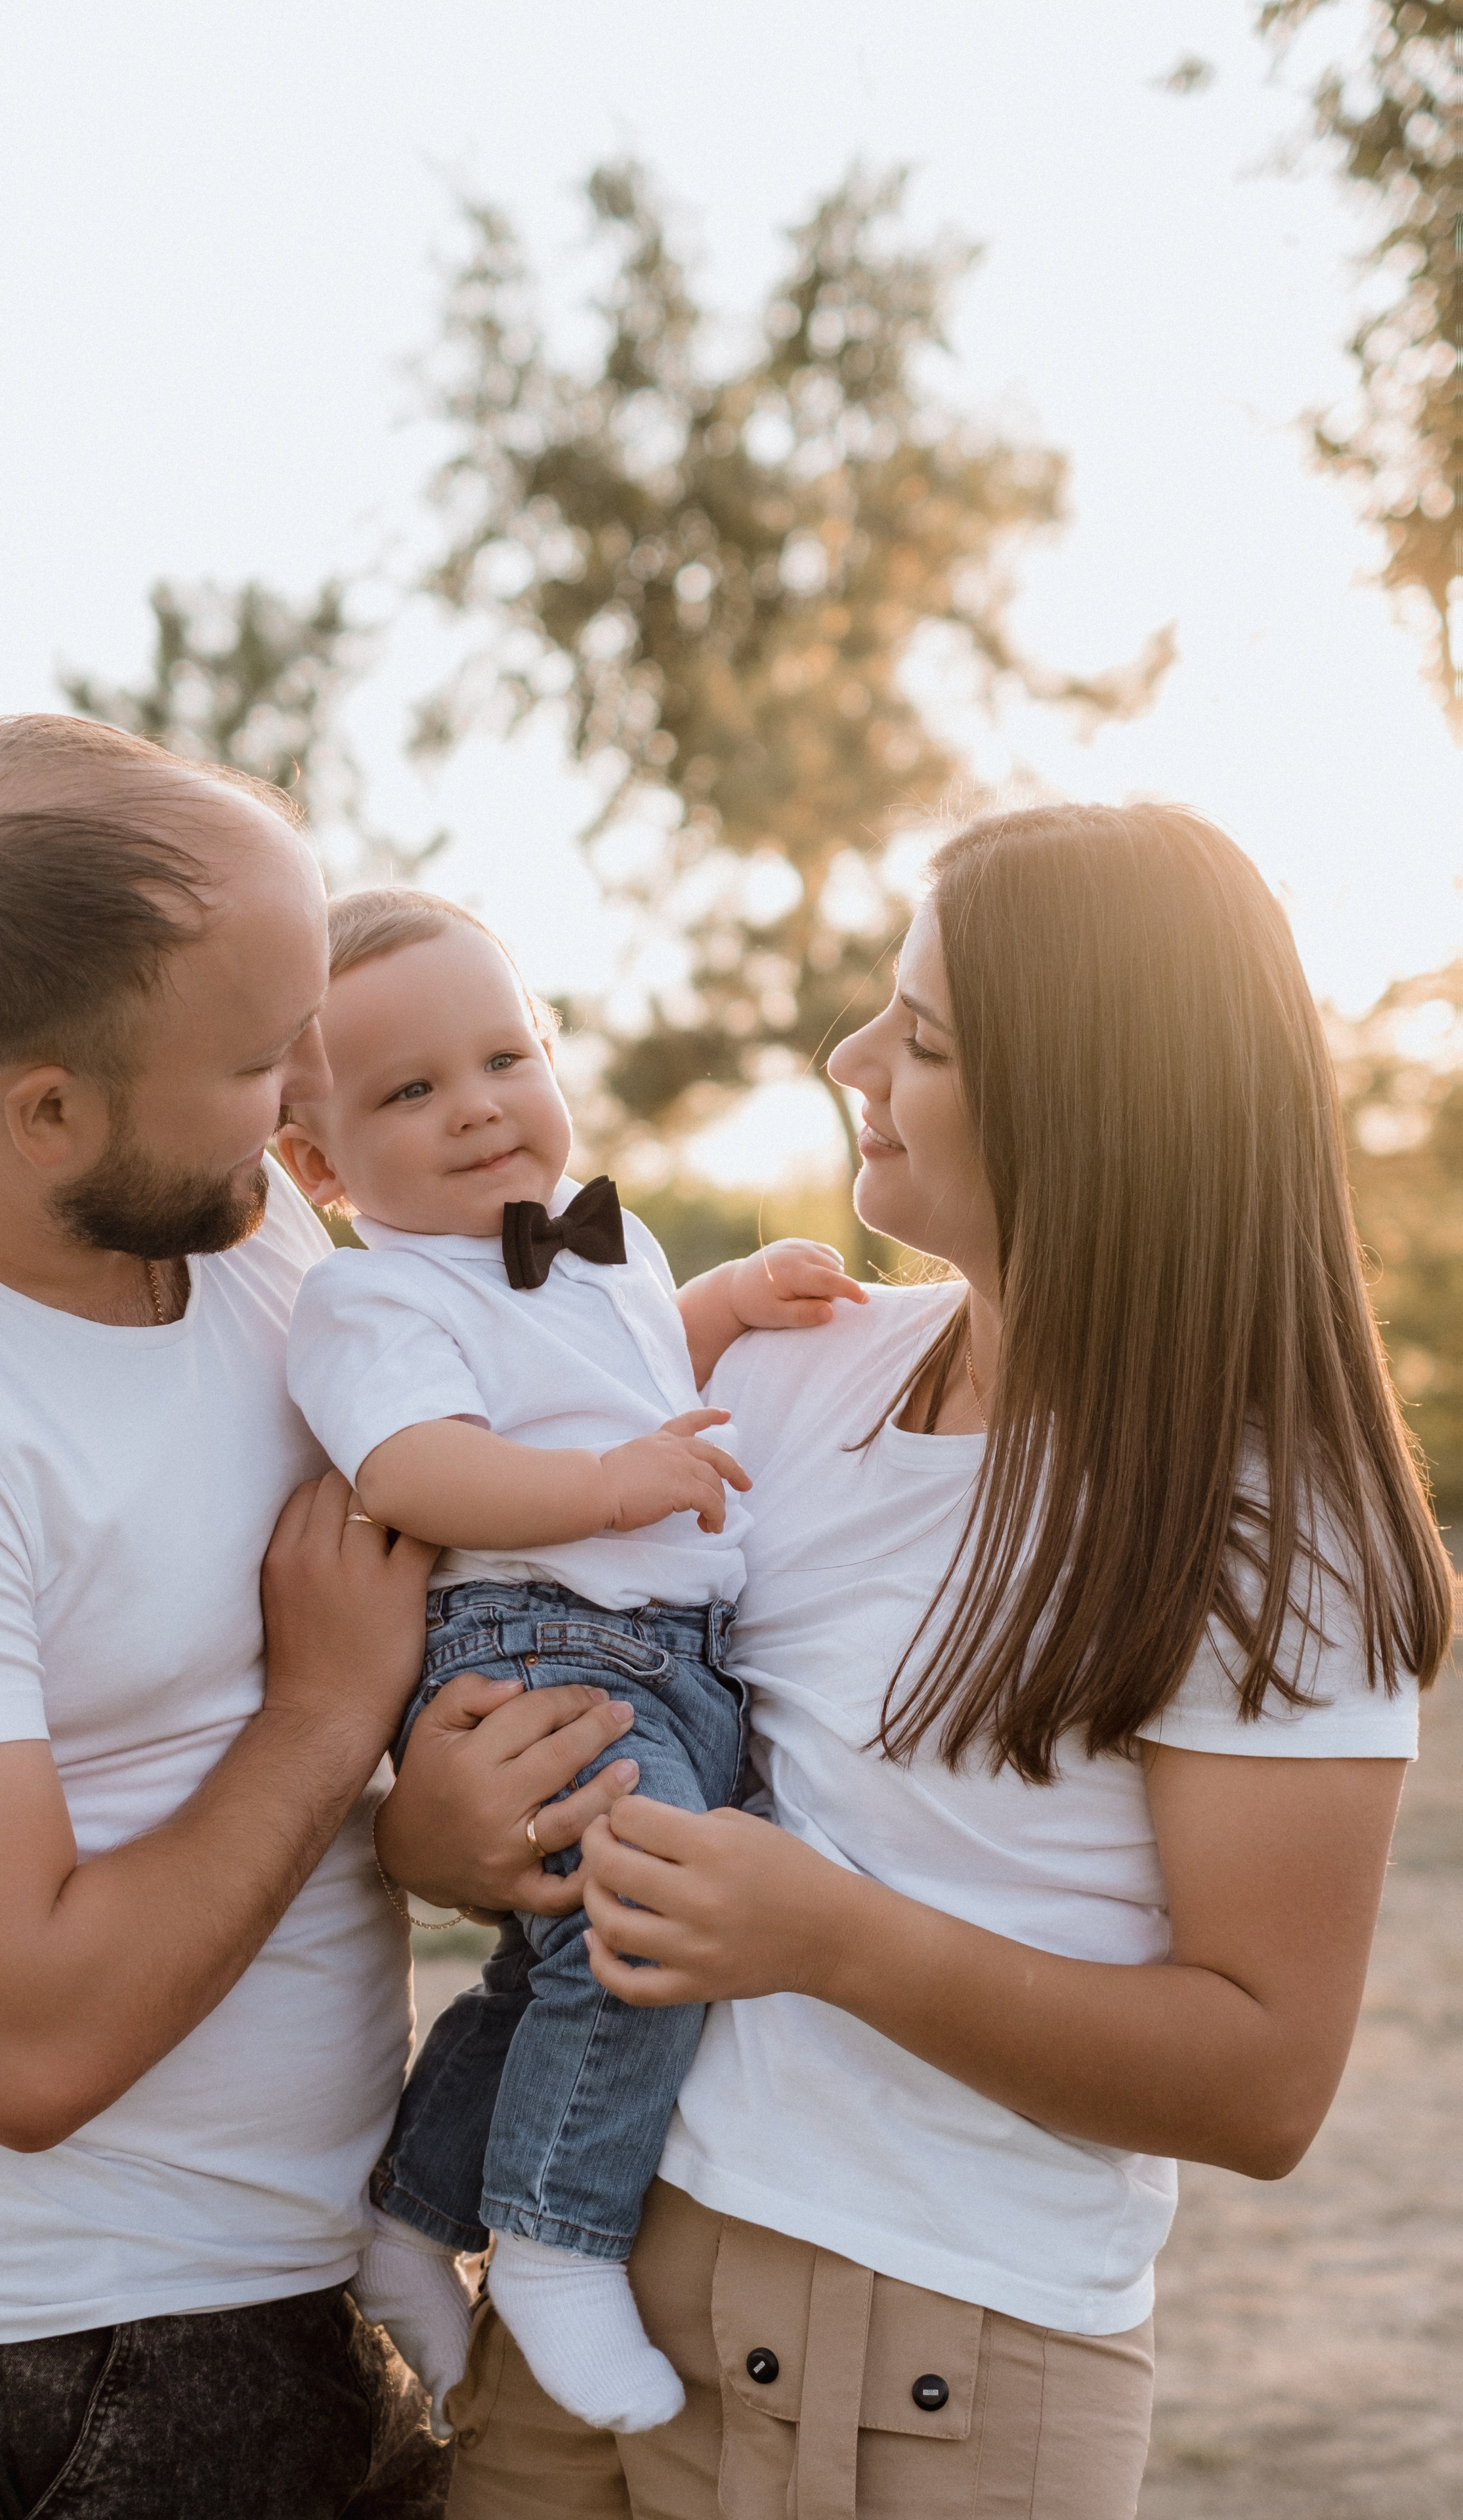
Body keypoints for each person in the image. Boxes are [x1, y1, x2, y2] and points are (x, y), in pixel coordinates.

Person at [375, 802, 1455, 2520]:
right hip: (595, 2270)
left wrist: (835, 1940)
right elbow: (557, 1687)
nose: (849, 1053)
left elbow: (1262, 2084)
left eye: (924, 1035)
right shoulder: (791, 1373)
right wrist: (437, 1839)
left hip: (932, 2371)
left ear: (1080, 1101)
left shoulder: (1262, 1531)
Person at [0, 715, 484, 2518]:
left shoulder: (224, 1209)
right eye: (264, 1057)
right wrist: (329, 1722)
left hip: (290, 2288)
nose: (318, 1087)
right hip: (47, 2365)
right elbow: (20, 2048)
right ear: (47, 1109)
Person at [274, 887, 863, 2435]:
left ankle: (408, 2223)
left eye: (504, 1056)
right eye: (409, 1091)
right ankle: (548, 2242)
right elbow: (416, 1468)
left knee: (554, 1960)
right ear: (321, 1166)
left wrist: (728, 1305)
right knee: (654, 1922)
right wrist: (604, 1489)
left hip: (671, 1647)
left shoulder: (608, 1246)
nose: (476, 1109)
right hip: (534, 1637)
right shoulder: (367, 1295)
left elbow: (631, 1363)